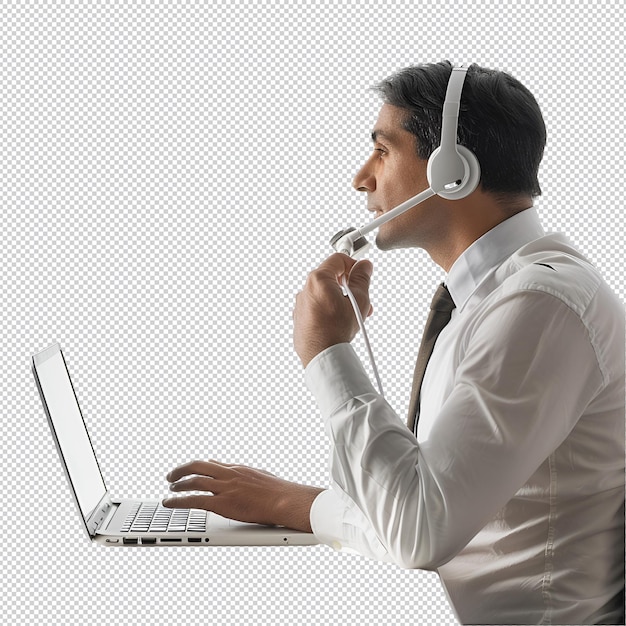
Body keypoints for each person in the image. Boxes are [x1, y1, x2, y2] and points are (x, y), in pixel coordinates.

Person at [162, 61, 625, 625]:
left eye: (383, 150)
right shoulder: (496, 298)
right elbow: (426, 510)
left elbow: (420, 531)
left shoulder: (540, 305)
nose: (361, 177)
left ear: (453, 170)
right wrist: (293, 505)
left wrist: (327, 353)